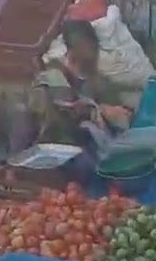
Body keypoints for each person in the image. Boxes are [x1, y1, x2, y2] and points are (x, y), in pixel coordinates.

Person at [9, 20, 131, 177]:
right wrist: (95, 111)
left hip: (80, 142)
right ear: (69, 49)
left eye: (90, 47)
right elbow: (60, 109)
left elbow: (120, 113)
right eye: (80, 46)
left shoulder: (99, 81)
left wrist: (113, 113)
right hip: (48, 140)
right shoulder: (53, 72)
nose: (87, 53)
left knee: (87, 166)